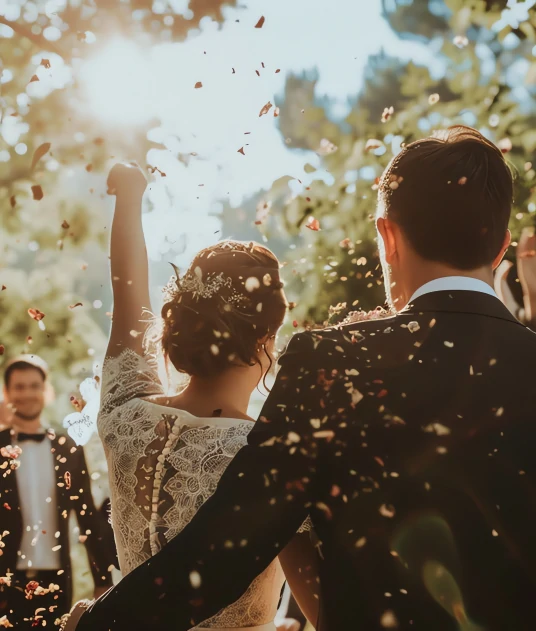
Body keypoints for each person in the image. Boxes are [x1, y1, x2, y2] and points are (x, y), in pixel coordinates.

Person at [76, 125, 536, 631]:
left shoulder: (331, 359)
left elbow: (228, 548)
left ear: (386, 235)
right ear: (501, 250)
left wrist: (99, 623)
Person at [64, 163, 304, 631]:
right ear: (266, 341)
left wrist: (129, 196)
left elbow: (128, 296)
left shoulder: (122, 415)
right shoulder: (274, 460)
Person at [0, 355, 114, 628]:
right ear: (6, 393)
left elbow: (86, 515)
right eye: (19, 387)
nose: (27, 393)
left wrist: (103, 582)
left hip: (57, 580)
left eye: (34, 385)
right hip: (4, 579)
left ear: (46, 390)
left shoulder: (68, 447)